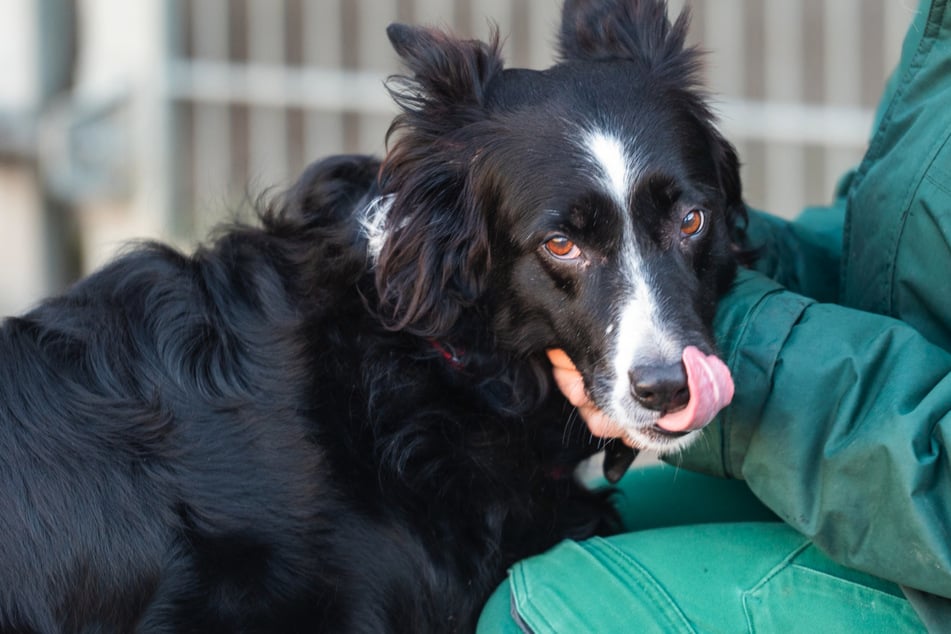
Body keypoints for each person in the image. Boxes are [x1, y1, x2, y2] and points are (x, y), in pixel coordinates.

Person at [478, 0, 951, 631]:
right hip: (885, 458)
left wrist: (749, 349)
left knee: (531, 612)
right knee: (529, 530)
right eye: (566, 244)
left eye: (689, 220)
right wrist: (726, 266)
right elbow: (903, 253)